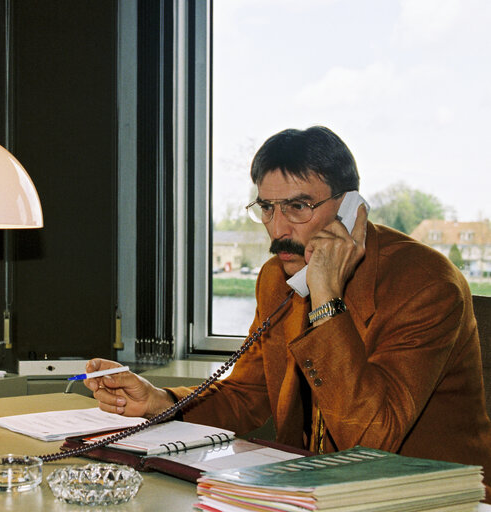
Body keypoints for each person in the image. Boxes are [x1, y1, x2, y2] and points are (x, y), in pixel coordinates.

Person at [86, 126, 491, 501]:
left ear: (350, 208)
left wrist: (326, 296)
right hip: (313, 493)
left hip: (423, 498)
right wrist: (158, 401)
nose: (278, 228)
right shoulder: (277, 278)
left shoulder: (424, 283)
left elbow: (371, 440)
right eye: (266, 207)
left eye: (298, 206)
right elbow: (248, 393)